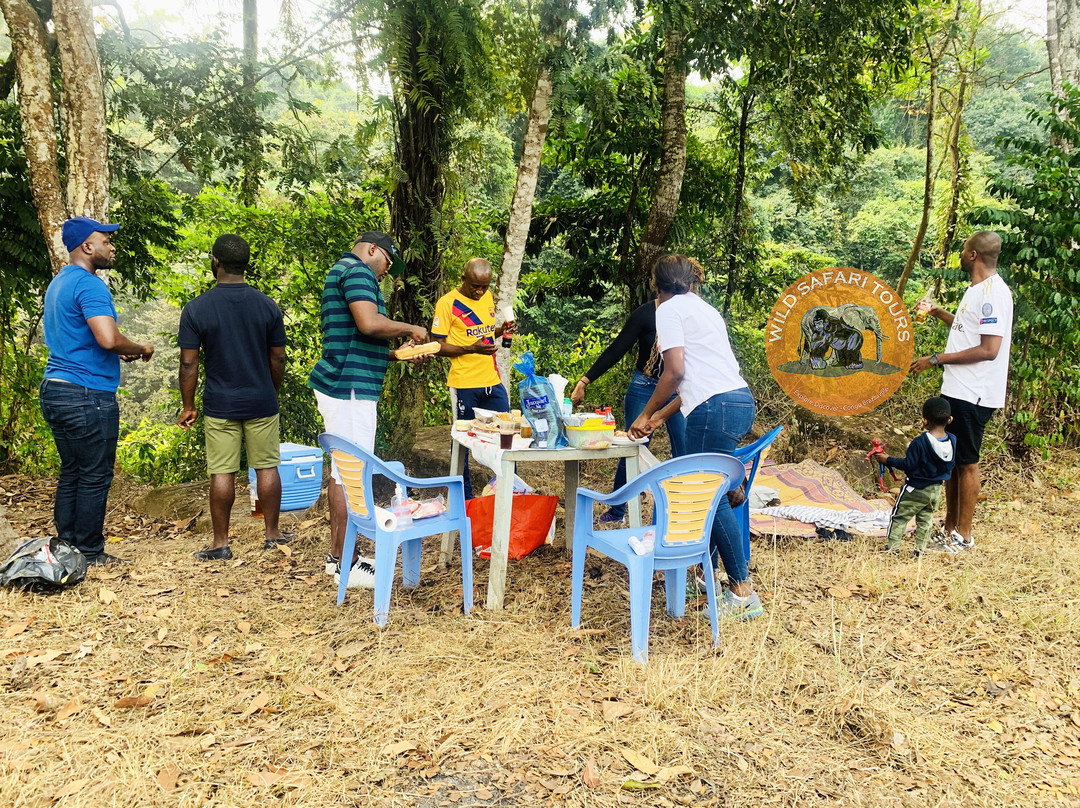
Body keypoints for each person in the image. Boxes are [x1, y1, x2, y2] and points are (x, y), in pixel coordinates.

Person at [629, 254, 762, 620]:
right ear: (692, 282)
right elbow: (696, 382)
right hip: (737, 400)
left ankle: (742, 593)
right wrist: (657, 417)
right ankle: (708, 576)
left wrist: (643, 413)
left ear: (656, 285)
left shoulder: (668, 311)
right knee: (715, 492)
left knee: (709, 497)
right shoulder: (705, 309)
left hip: (715, 408)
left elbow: (674, 374)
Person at [309, 231, 428, 589]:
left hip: (347, 382)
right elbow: (368, 323)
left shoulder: (342, 271)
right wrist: (411, 328)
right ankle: (346, 561)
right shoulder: (358, 271)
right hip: (350, 388)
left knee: (342, 472)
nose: (386, 273)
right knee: (351, 474)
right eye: (387, 264)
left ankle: (341, 558)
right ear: (372, 250)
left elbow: (356, 337)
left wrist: (396, 353)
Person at [39, 217, 154, 566]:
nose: (111, 245)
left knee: (72, 469)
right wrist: (140, 347)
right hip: (86, 393)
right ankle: (89, 551)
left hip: (55, 388)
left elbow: (82, 337)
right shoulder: (90, 285)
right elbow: (106, 337)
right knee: (94, 474)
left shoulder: (59, 282)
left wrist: (117, 348)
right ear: (87, 247)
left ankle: (67, 546)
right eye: (105, 240)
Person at [177, 235, 289, 560]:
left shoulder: (197, 309)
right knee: (266, 467)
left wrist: (188, 405)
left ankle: (220, 544)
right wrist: (271, 390)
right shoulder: (267, 305)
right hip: (261, 401)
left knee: (222, 471)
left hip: (220, 403)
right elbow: (278, 358)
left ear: (215, 262)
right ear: (246, 264)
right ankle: (272, 535)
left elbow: (189, 362)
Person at [910, 231, 1012, 552]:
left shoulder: (994, 293)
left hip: (975, 392)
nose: (960, 254)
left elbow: (988, 349)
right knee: (954, 462)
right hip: (958, 389)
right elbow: (969, 330)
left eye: (964, 249)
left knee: (967, 462)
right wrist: (939, 311)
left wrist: (935, 359)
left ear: (973, 256)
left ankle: (963, 537)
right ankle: (949, 528)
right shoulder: (977, 289)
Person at [569, 301, 686, 523]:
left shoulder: (688, 312)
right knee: (632, 447)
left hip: (679, 388)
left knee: (684, 449)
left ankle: (680, 512)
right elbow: (617, 348)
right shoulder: (645, 313)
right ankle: (617, 510)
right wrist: (585, 380)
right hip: (644, 385)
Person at [430, 258, 515, 498]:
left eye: (484, 286)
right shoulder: (447, 303)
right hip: (464, 383)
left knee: (506, 435)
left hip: (492, 380)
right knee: (463, 439)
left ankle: (506, 492)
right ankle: (464, 497)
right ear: (463, 279)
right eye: (475, 286)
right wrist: (471, 349)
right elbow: (437, 345)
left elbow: (485, 335)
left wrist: (501, 331)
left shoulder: (486, 299)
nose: (479, 292)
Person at [871, 397, 956, 556]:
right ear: (950, 420)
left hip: (915, 489)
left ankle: (892, 549)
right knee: (925, 520)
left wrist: (887, 459)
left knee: (899, 517)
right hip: (935, 491)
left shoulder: (919, 442)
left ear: (924, 420)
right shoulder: (953, 440)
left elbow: (908, 465)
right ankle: (920, 551)